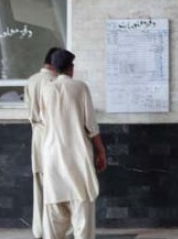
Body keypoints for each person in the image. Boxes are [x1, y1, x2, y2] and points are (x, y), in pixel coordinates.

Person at [39, 49, 107, 239]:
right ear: (71, 68)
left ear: (53, 68)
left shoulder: (45, 89)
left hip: (52, 156)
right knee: (82, 214)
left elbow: (43, 120)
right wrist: (101, 152)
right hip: (77, 156)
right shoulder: (80, 88)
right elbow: (91, 126)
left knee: (54, 217)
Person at [24, 47, 60, 239]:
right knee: (56, 184)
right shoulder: (54, 82)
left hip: (37, 137)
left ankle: (39, 230)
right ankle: (55, 229)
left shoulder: (31, 80)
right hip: (53, 136)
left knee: (39, 184)